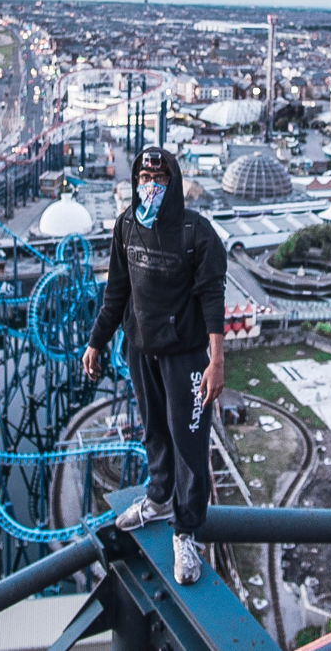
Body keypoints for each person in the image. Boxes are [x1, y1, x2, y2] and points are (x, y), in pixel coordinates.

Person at [83, 146, 227, 585]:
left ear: (174, 181)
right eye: (145, 177)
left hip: (185, 354)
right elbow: (117, 291)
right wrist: (96, 341)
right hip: (141, 347)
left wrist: (216, 360)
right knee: (153, 431)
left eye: (160, 178)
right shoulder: (127, 224)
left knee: (189, 441)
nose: (152, 184)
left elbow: (212, 300)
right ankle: (158, 497)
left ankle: (186, 532)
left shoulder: (195, 233)